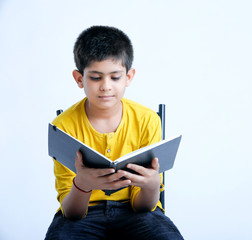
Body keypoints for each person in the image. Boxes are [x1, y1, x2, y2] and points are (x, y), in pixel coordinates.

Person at [45, 25, 183, 239]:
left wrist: (153, 184)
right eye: (96, 77)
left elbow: (143, 207)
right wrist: (83, 183)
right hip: (84, 214)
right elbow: (72, 213)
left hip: (135, 213)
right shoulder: (63, 126)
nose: (106, 86)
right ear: (79, 78)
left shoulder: (147, 120)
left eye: (115, 77)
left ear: (129, 76)